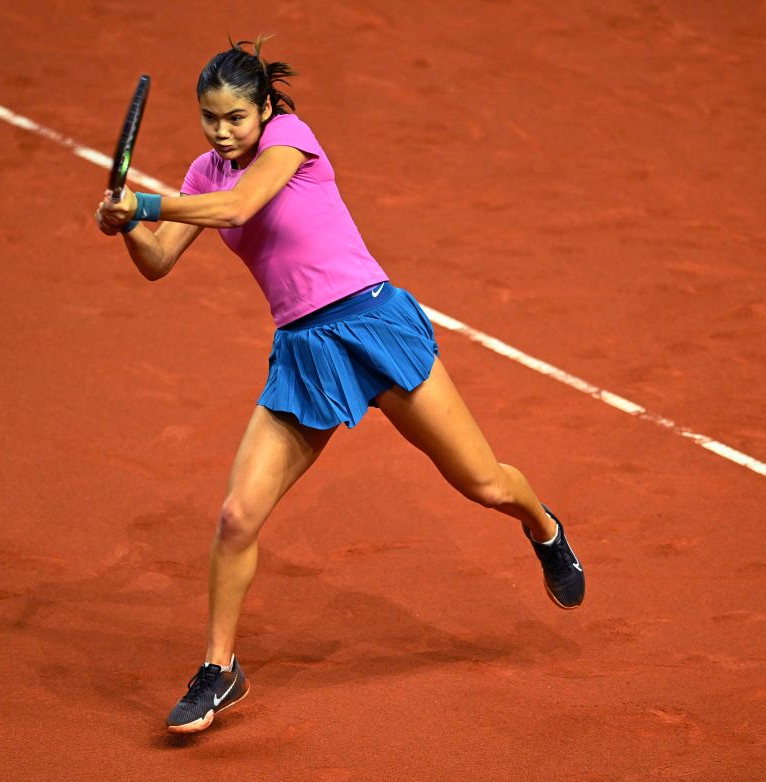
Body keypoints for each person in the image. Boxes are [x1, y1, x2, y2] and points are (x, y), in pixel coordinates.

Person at [96, 37, 584, 735]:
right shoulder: (203, 175)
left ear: (264, 109)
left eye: (236, 117)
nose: (223, 131)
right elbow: (158, 262)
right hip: (305, 352)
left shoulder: (291, 141)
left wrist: (146, 205)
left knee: (484, 484)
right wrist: (124, 226)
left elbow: (239, 211)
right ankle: (219, 669)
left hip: (374, 325)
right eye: (211, 118)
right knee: (237, 515)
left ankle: (544, 527)